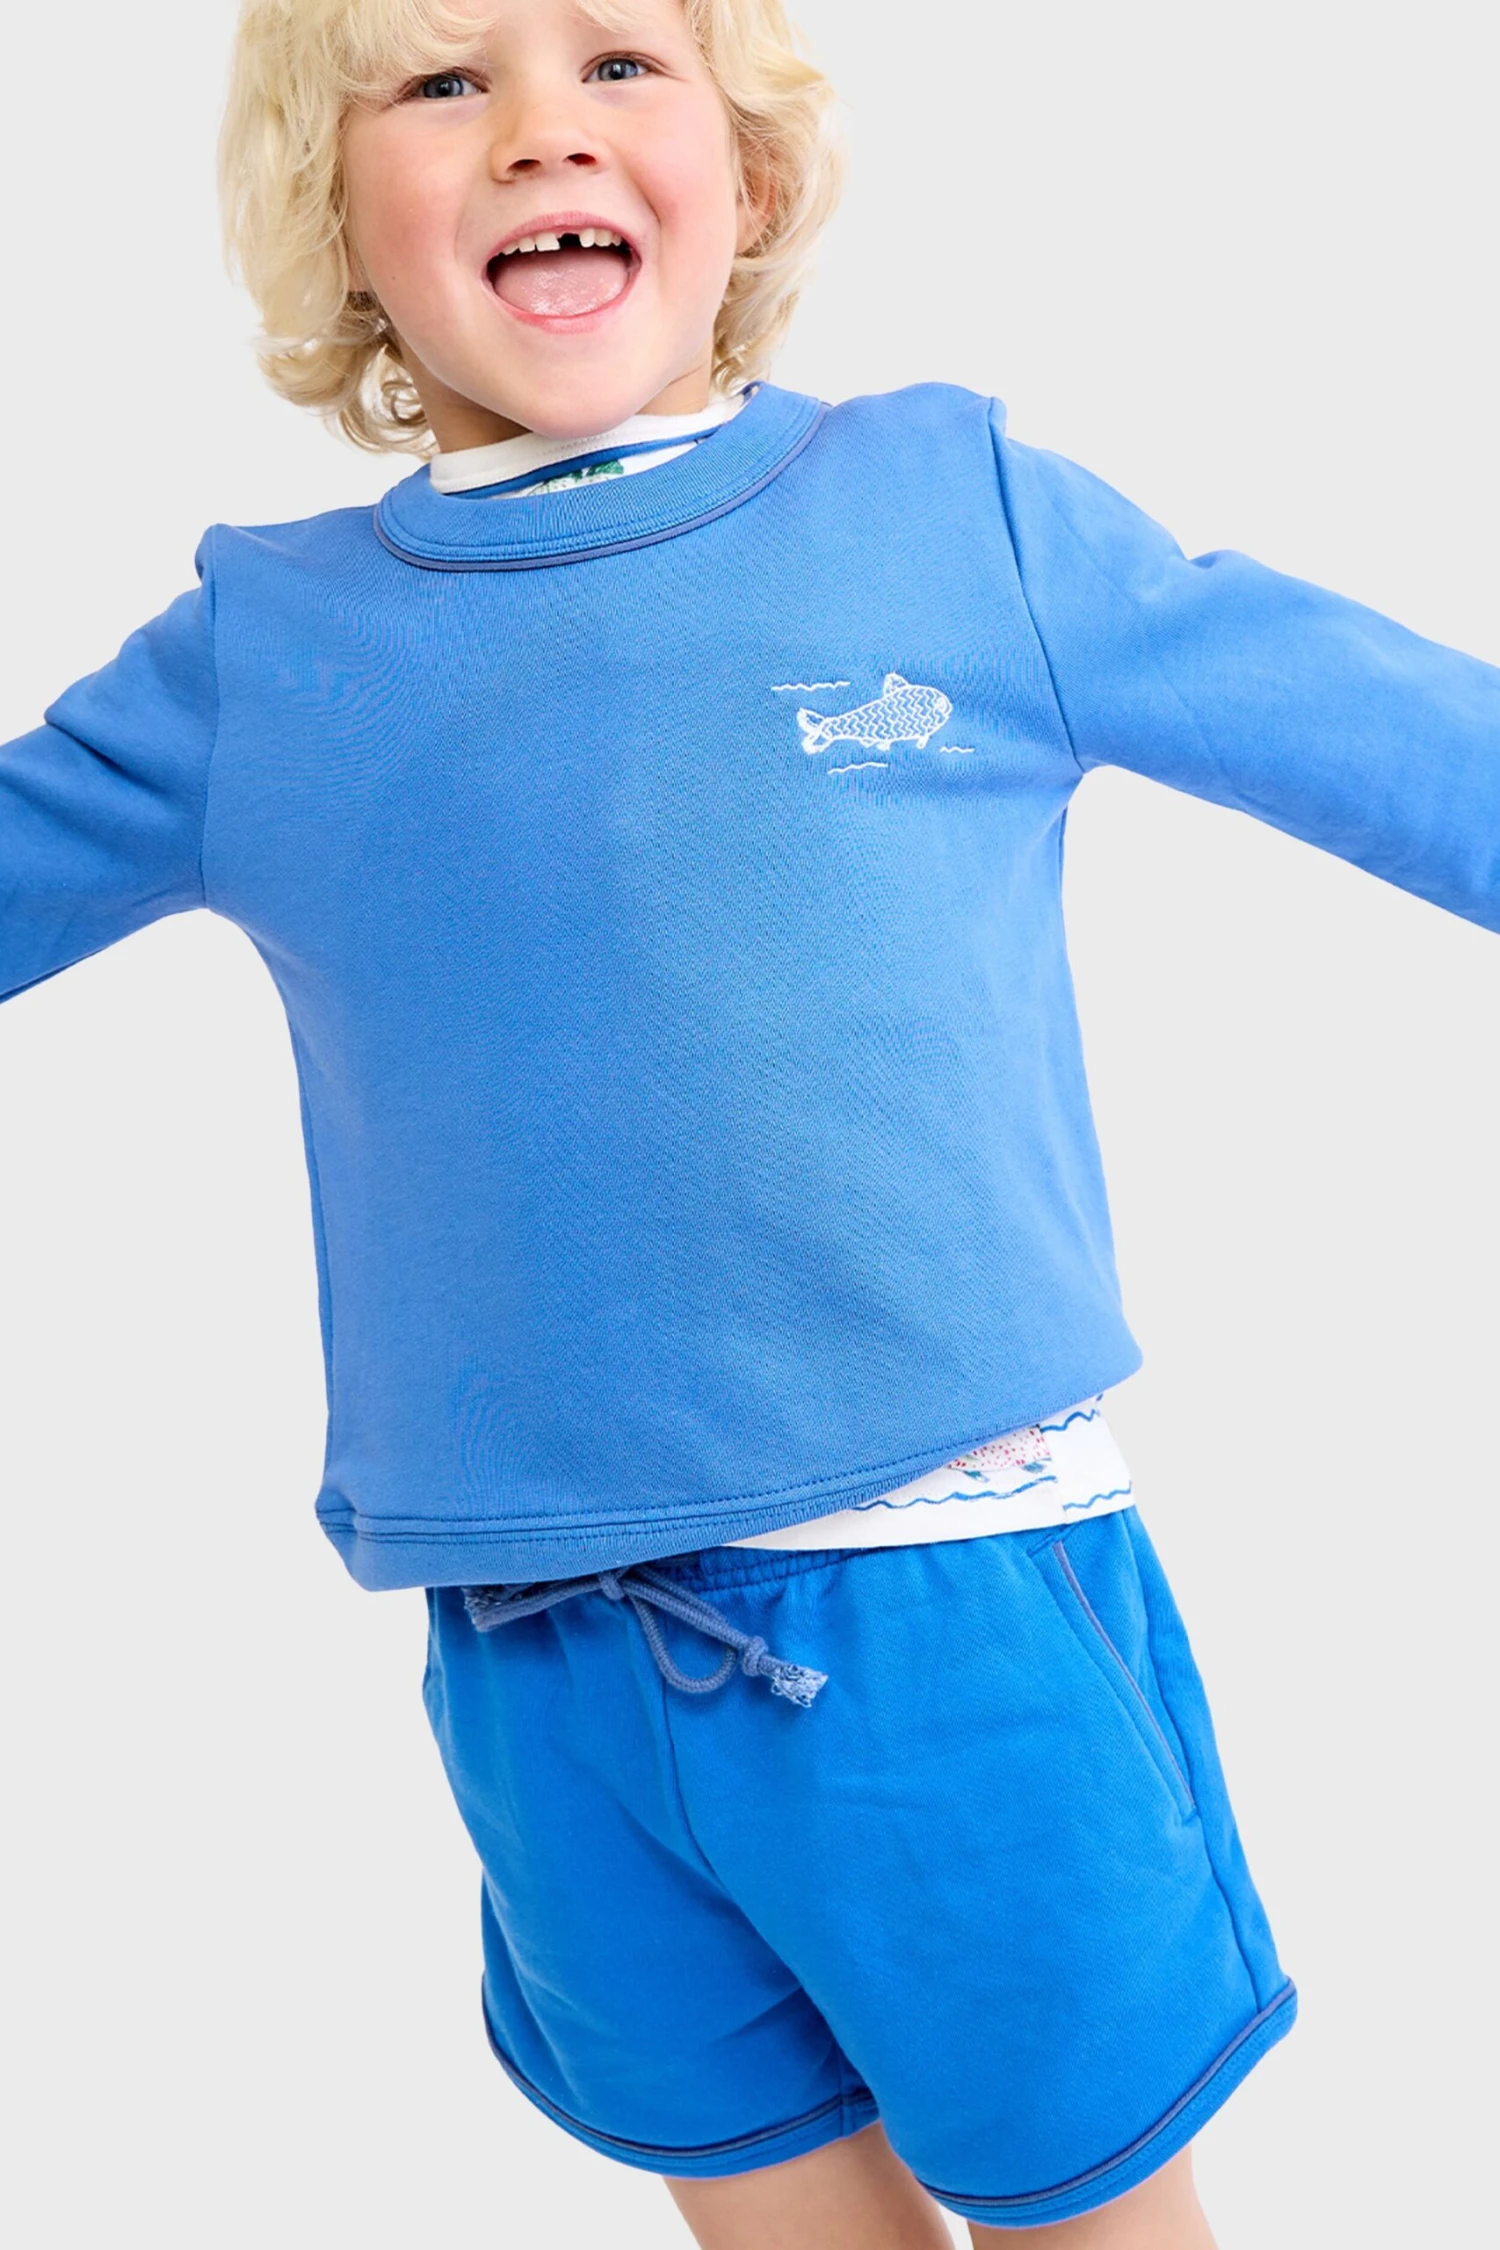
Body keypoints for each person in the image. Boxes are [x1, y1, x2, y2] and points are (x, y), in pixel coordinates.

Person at [3, 0, 1496, 2242]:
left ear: (756, 174)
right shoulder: (263, 657)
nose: (539, 130)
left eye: (619, 64)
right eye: (444, 82)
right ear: (337, 223)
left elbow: (1396, 738)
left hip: (947, 1612)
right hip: (538, 1654)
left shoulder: (947, 511)